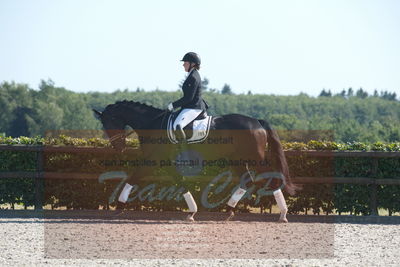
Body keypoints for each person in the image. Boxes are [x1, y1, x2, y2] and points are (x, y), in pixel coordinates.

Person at [167, 52, 209, 141]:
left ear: (192, 64)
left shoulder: (193, 76)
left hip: (194, 108)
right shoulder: (191, 74)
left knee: (178, 126)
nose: (183, 65)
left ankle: (184, 151)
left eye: (185, 62)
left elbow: (188, 98)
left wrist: (173, 105)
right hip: (190, 107)